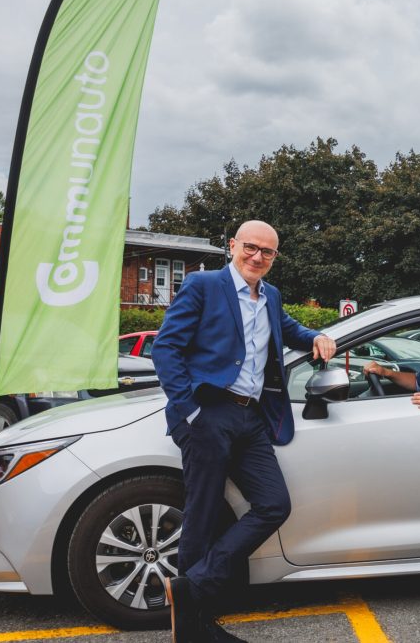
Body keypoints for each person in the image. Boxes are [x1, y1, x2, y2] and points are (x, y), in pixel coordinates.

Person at [152, 220, 336, 641]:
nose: (257, 257)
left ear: (274, 258)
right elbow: (166, 348)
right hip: (208, 413)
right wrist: (191, 411)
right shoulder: (203, 286)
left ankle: (192, 589)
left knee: (274, 503)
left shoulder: (270, 295)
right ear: (232, 245)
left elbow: (290, 330)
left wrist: (319, 335)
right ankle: (196, 629)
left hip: (250, 418)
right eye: (250, 247)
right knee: (203, 514)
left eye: (267, 252)